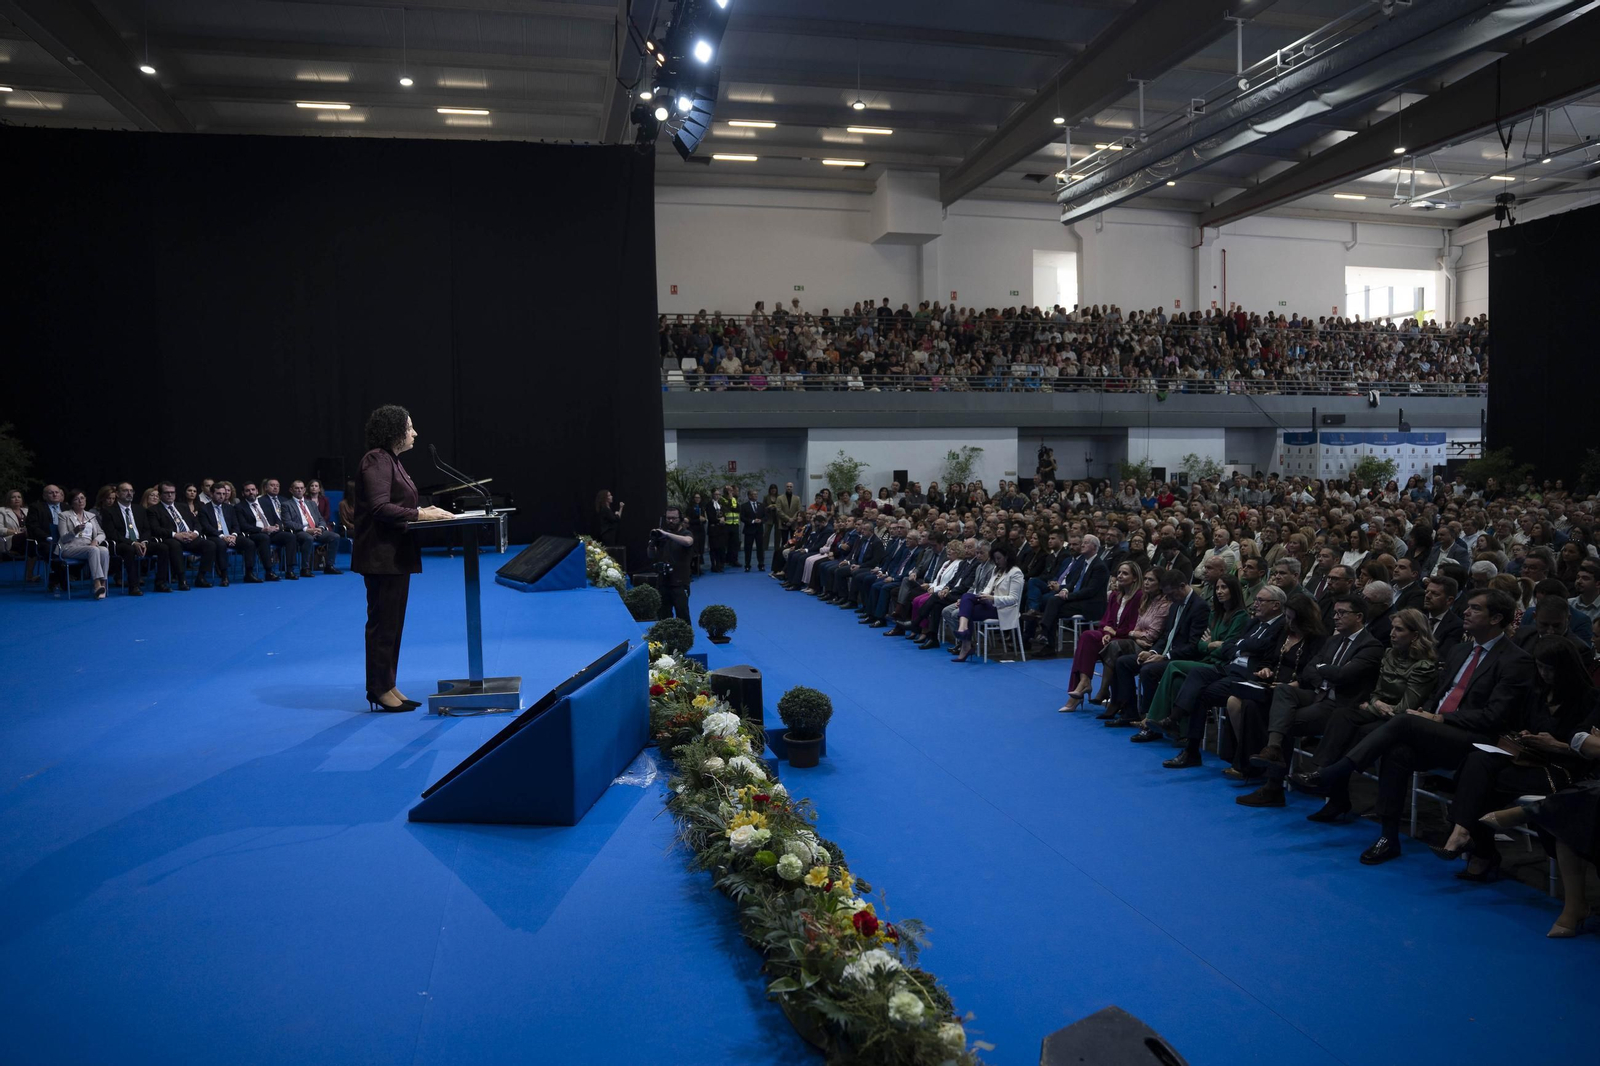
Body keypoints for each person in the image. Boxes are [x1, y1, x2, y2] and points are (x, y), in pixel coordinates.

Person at [1290, 589, 1537, 864]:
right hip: (1438, 731)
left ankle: (1334, 772)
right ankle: (1388, 836)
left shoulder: (1516, 659)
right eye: (1467, 607)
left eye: (1475, 608)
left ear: (1496, 618)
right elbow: (1439, 694)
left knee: (1403, 721)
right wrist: (1427, 712)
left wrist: (1440, 719)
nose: (1466, 612)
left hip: (1476, 739)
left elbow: (1496, 716)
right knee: (1397, 750)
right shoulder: (1461, 650)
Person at [1434, 639, 1598, 883]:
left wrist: (1556, 745)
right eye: (1541, 667)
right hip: (1528, 759)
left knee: (1478, 786)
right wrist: (1523, 736)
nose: (1545, 674)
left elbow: (1587, 747)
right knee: (1477, 762)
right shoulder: (1536, 691)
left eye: (1551, 669)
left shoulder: (1590, 698)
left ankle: (1479, 849)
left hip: (1563, 769)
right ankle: (1463, 832)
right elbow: (1515, 722)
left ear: (1567, 667)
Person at [353, 405, 453, 712]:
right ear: (395, 432)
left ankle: (389, 683)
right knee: (383, 624)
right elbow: (380, 508)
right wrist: (422, 513)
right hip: (381, 556)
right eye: (410, 427)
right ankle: (377, 688)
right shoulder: (376, 460)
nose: (415, 432)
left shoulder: (392, 461)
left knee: (393, 624)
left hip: (396, 554)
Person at [1058, 561, 1144, 710]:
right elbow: (1106, 621)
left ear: (1135, 578)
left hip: (1126, 639)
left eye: (1125, 573)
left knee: (1100, 642)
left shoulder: (1139, 597)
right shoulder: (1115, 596)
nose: (1120, 576)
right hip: (1111, 636)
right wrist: (1106, 633)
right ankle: (1084, 682)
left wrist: (1114, 633)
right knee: (1087, 636)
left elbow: (1134, 626)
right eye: (1119, 573)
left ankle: (1077, 696)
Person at [950, 542, 1024, 663]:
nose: (996, 561)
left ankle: (965, 643)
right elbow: (987, 589)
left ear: (1007, 557)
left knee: (966, 610)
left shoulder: (1016, 573)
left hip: (1002, 609)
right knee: (966, 596)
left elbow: (1014, 599)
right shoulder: (997, 570)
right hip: (989, 603)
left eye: (999, 558)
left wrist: (992, 599)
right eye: (995, 559)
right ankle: (963, 630)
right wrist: (983, 596)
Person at [99, 481, 153, 596]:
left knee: (163, 547)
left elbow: (147, 529)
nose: (129, 493)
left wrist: (143, 542)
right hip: (121, 543)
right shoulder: (109, 511)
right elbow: (112, 534)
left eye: (131, 491)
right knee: (130, 550)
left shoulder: (139, 509)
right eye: (125, 490)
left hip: (141, 541)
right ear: (117, 494)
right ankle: (134, 586)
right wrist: (133, 543)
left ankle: (161, 582)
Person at [57, 489, 111, 598]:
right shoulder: (64, 516)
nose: (80, 501)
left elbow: (101, 533)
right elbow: (63, 538)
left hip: (88, 546)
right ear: (71, 503)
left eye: (82, 498)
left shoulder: (91, 515)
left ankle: (103, 584)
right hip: (69, 547)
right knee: (93, 550)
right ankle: (96, 584)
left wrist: (96, 541)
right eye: (76, 499)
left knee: (104, 550)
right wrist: (75, 531)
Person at [285, 480, 342, 575]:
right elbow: (288, 522)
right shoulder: (286, 504)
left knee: (335, 536)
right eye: (296, 488)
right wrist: (306, 529)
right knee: (308, 538)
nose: (299, 490)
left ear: (304, 490)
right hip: (301, 531)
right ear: (291, 490)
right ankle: (305, 568)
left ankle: (329, 566)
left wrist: (320, 528)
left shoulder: (311, 503)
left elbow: (321, 518)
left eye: (301, 488)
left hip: (316, 529)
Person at [237, 482, 291, 581]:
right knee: (264, 538)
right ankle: (269, 571)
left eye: (253, 490)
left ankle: (289, 570)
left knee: (289, 536)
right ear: (243, 493)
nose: (251, 492)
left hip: (271, 532)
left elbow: (276, 518)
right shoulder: (240, 507)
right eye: (247, 491)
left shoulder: (265, 503)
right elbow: (243, 526)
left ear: (257, 491)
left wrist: (278, 526)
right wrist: (262, 529)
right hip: (254, 534)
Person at [649, 506, 695, 620]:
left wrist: (667, 534)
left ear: (680, 519)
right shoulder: (661, 536)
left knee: (682, 615)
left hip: (680, 583)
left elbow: (688, 542)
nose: (670, 521)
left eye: (674, 518)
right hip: (663, 582)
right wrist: (651, 544)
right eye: (668, 518)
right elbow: (651, 555)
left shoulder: (686, 533)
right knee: (663, 616)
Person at [25, 484, 64, 589]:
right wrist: (47, 537)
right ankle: (62, 578)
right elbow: (32, 526)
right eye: (51, 493)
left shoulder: (67, 507)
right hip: (45, 540)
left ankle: (57, 577)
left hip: (65, 540)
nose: (55, 494)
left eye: (57, 492)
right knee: (50, 549)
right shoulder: (36, 507)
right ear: (44, 496)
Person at [739, 488, 765, 571]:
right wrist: (752, 521)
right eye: (754, 494)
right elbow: (742, 517)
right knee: (748, 548)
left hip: (759, 530)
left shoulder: (761, 505)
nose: (756, 496)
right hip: (749, 530)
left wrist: (761, 520)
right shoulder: (744, 506)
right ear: (749, 496)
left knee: (760, 548)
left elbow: (766, 516)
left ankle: (761, 564)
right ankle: (747, 565)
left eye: (756, 494)